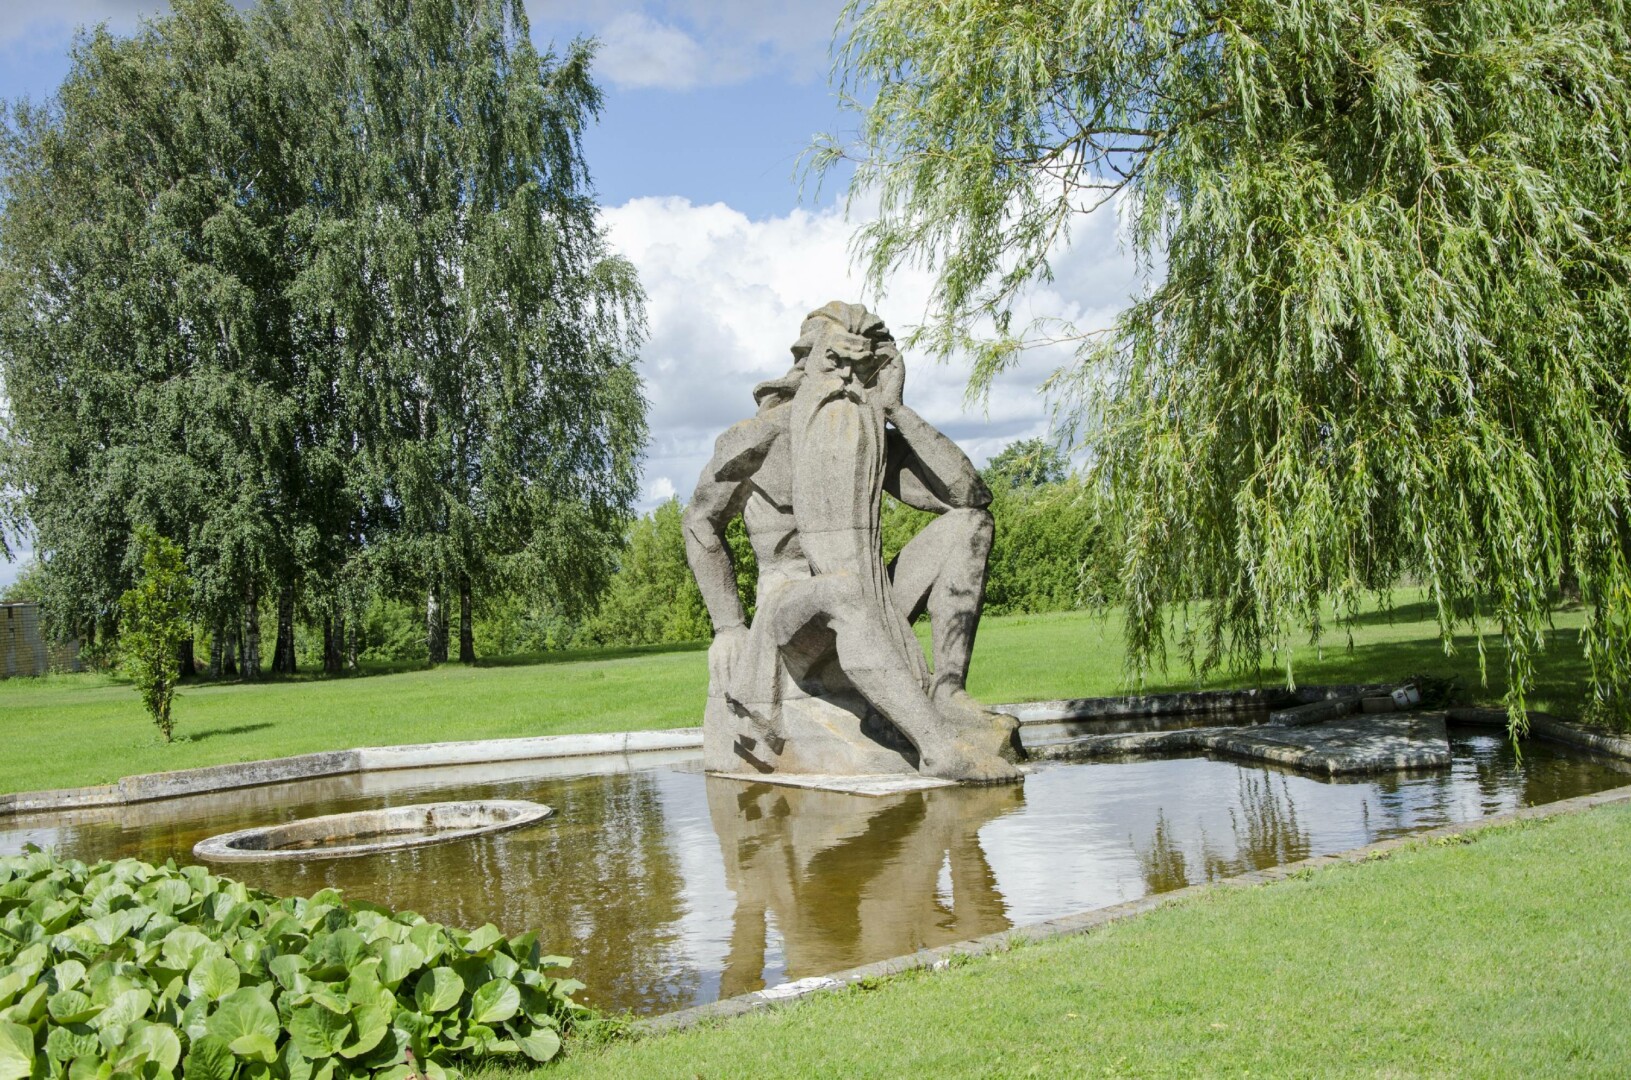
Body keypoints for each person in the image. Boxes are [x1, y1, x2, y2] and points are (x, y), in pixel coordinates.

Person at [683, 302, 1020, 782]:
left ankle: (946, 692)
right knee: (841, 590)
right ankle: (937, 747)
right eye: (836, 361)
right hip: (788, 612)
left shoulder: (867, 435)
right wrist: (728, 626)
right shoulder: (759, 437)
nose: (847, 377)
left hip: (871, 593)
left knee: (970, 526)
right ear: (807, 363)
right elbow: (699, 521)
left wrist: (896, 410)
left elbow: (970, 496)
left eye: (863, 366)